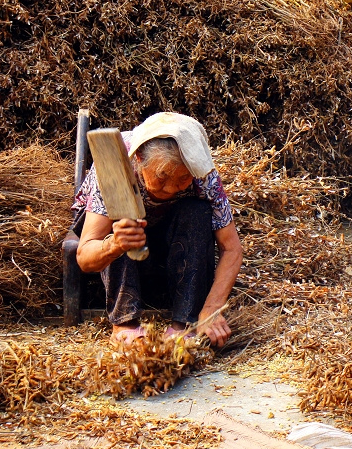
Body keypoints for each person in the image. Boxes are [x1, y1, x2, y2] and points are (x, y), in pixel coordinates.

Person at [72, 112, 242, 348]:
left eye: (183, 178)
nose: (172, 187)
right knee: (121, 216)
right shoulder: (114, 164)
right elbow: (85, 256)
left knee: (196, 211)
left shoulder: (202, 172)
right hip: (125, 243)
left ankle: (186, 322)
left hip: (168, 241)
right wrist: (115, 243)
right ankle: (125, 323)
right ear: (140, 158)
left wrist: (212, 309)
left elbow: (231, 248)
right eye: (162, 176)